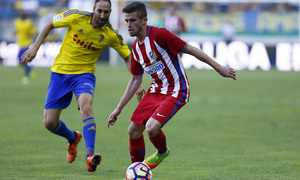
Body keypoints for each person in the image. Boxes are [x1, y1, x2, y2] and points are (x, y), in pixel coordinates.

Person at [107, 1, 236, 170]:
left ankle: (162, 151)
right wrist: (118, 108)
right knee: (133, 131)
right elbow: (135, 79)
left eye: (132, 20)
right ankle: (137, 170)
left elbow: (190, 49)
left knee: (151, 128)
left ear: (144, 20)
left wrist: (218, 67)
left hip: (177, 89)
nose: (128, 25)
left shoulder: (160, 35)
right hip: (156, 90)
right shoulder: (136, 49)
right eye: (126, 21)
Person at [21, 0, 145, 172]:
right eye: (100, 11)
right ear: (93, 9)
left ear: (110, 12)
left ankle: (90, 156)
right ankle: (73, 138)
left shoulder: (111, 34)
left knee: (86, 106)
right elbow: (50, 23)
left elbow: (127, 57)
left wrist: (136, 80)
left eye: (106, 12)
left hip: (84, 75)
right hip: (60, 73)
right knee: (49, 122)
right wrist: (35, 47)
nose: (102, 15)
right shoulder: (75, 16)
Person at [15, 9, 37, 85]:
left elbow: (33, 31)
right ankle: (30, 69)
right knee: (19, 60)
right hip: (20, 43)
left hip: (27, 43)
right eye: (20, 13)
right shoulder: (17, 22)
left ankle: (27, 76)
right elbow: (18, 30)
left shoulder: (28, 22)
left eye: (22, 13)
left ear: (25, 14)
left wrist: (29, 33)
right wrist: (15, 32)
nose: (21, 14)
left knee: (22, 60)